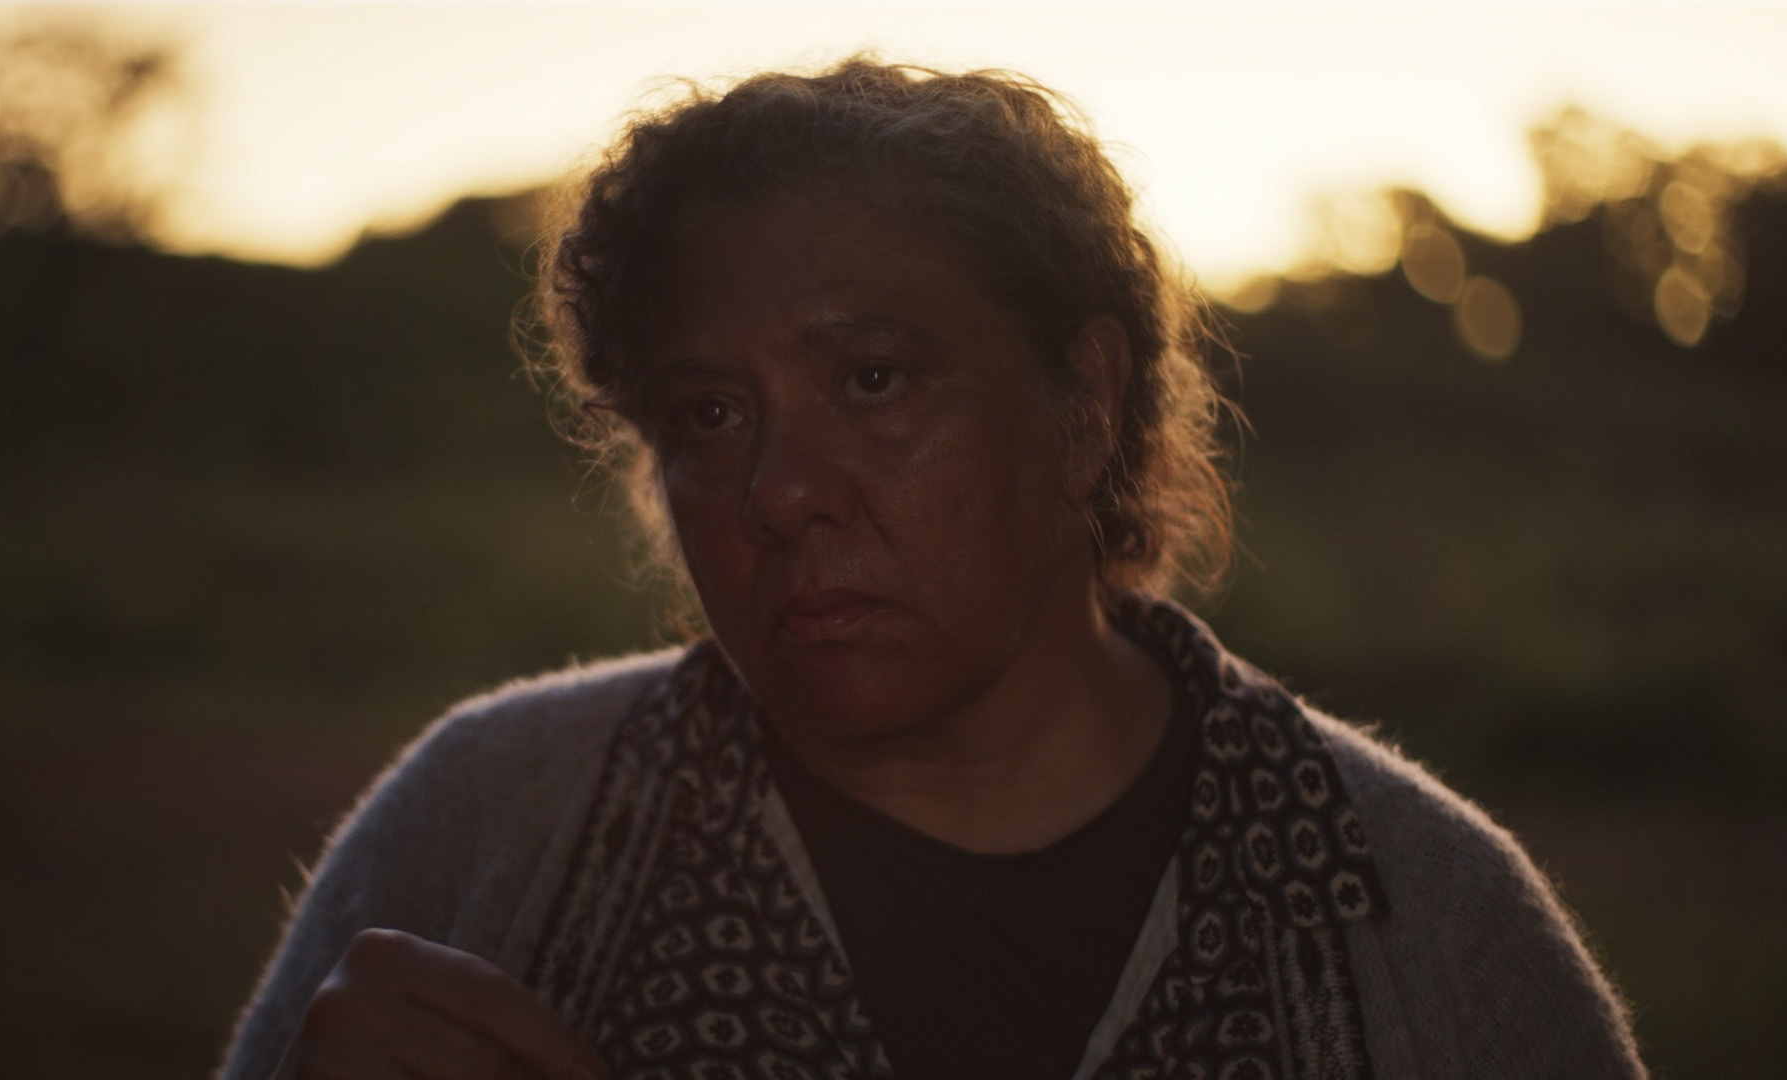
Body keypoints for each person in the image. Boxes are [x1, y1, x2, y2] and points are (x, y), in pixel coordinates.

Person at [221, 59, 1646, 1080]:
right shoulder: (478, 841)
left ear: (1086, 405)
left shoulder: (1419, 922)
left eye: (875, 379)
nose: (781, 492)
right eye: (708, 415)